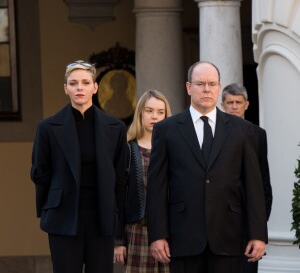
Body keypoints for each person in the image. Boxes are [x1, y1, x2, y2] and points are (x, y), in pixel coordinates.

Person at [146, 61, 268, 273]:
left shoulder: (243, 130)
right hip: (183, 237)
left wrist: (258, 233)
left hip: (230, 236)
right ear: (188, 87)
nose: (206, 89)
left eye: (212, 84)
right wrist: (157, 235)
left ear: (219, 87)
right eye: (200, 83)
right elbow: (157, 186)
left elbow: (253, 186)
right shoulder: (166, 130)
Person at [30, 60, 127, 273]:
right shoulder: (47, 128)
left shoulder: (116, 128)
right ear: (66, 89)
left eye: (85, 82)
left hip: (102, 218)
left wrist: (119, 224)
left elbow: (121, 178)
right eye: (73, 83)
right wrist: (49, 207)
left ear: (95, 87)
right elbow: (40, 173)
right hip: (63, 217)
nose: (79, 88)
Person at [114, 90, 172, 272]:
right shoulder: (127, 150)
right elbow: (117, 198)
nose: (155, 116)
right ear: (140, 113)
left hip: (170, 234)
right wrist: (118, 240)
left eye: (160, 112)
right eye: (149, 111)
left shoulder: (175, 150)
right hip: (137, 232)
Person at [221, 83, 273, 273]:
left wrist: (258, 226)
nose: (234, 106)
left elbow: (263, 182)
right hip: (220, 220)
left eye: (238, 102)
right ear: (223, 105)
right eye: (230, 102)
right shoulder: (214, 133)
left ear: (247, 105)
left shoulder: (258, 134)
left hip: (247, 220)